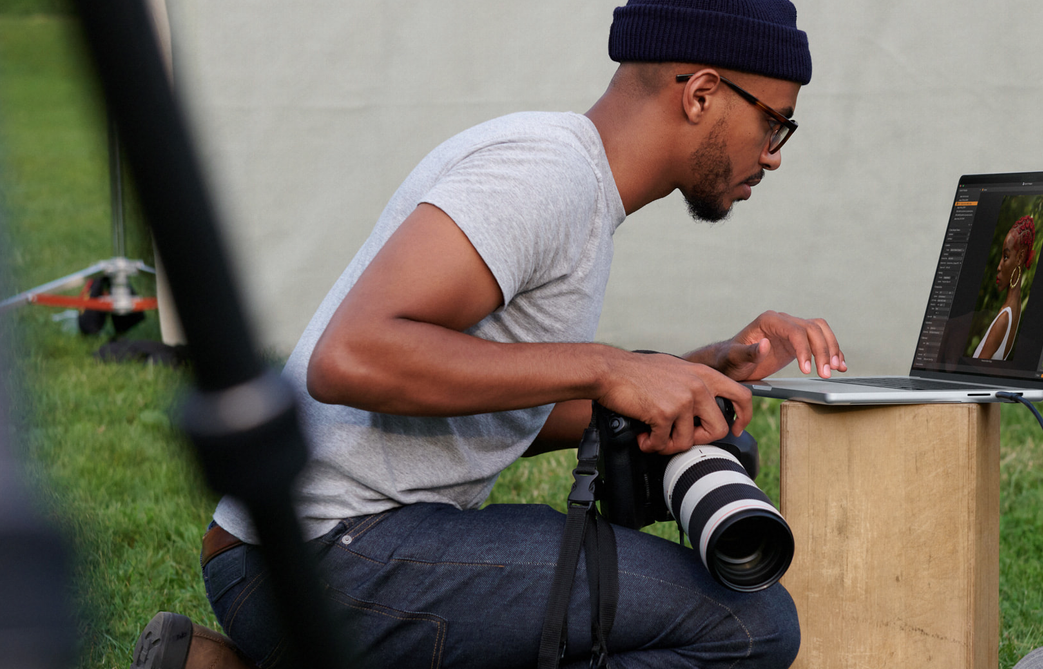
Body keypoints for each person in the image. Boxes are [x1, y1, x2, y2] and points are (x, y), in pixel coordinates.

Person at [131, 0, 848, 667]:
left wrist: (692, 370)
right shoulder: (546, 173)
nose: (776, 151)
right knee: (751, 625)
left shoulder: (581, 190)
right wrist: (606, 367)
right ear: (700, 94)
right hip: (318, 560)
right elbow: (349, 356)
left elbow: (496, 409)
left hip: (317, 554)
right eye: (774, 122)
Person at [973, 215, 1036, 360]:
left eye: (1006, 257)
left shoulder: (1004, 319)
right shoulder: (1017, 309)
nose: (999, 266)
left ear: (1020, 258)